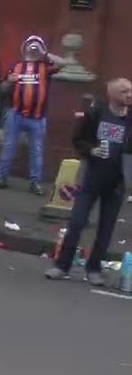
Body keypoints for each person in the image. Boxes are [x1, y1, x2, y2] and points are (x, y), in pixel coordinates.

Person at [46, 78, 132, 285]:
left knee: (106, 228)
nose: (129, 95)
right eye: (124, 91)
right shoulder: (96, 113)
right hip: (92, 176)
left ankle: (93, 269)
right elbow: (78, 140)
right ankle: (62, 266)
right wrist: (91, 150)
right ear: (111, 94)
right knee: (77, 222)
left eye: (130, 91)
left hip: (117, 182)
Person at [0, 34, 68, 194]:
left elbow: (65, 64)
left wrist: (44, 53)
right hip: (16, 115)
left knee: (36, 150)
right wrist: (9, 82)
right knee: (8, 147)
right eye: (31, 44)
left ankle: (35, 182)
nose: (34, 47)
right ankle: (1, 177)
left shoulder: (45, 67)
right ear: (24, 47)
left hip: (38, 118)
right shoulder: (16, 66)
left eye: (37, 45)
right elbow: (2, 90)